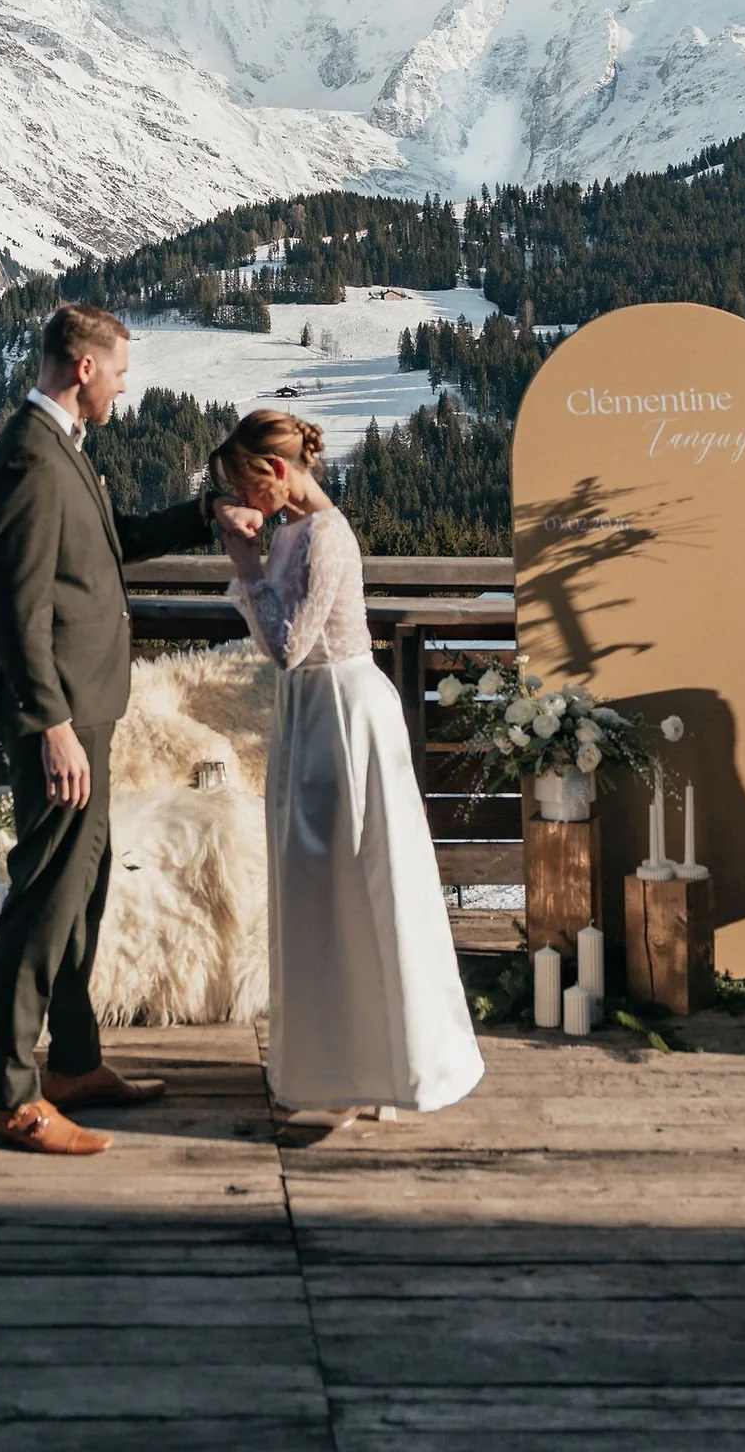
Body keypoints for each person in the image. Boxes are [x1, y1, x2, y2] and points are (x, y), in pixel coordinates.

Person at [0, 301, 264, 1154]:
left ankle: (73, 1063)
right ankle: (8, 1096)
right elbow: (20, 607)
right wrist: (52, 725)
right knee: (44, 896)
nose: (125, 389)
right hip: (59, 716)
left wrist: (206, 514)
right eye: (121, 373)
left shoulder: (63, 447)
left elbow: (114, 543)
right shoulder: (31, 457)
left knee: (85, 887)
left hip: (86, 708)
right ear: (85, 368)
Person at [210, 405, 482, 1129]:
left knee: (354, 883)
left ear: (277, 470)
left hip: (341, 715)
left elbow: (287, 644)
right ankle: (341, 1065)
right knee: (320, 889)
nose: (244, 501)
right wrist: (252, 556)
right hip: (311, 712)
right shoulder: (291, 532)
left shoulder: (325, 535)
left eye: (248, 485)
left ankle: (372, 1066)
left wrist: (244, 563)